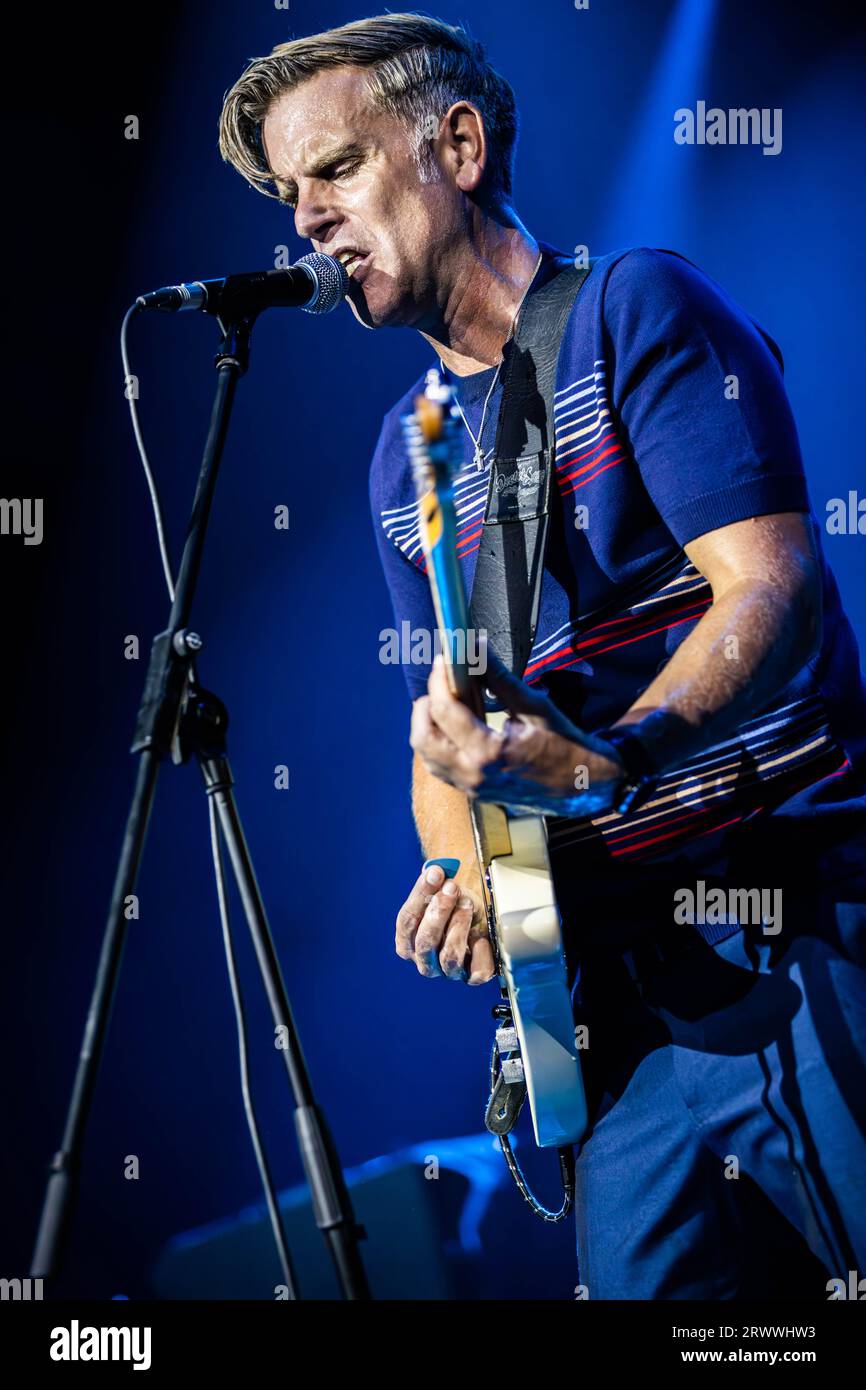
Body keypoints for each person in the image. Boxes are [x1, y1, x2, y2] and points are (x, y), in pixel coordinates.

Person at [219, 12, 866, 1299]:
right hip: (614, 1023)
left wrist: (607, 761)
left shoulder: (637, 308)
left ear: (455, 144)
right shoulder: (403, 459)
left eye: (335, 170)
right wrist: (463, 877)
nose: (304, 221)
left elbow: (773, 587)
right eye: (291, 196)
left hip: (786, 933)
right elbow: (443, 736)